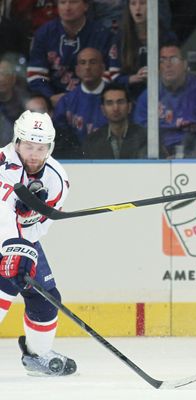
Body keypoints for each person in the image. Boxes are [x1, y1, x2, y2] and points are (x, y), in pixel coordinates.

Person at [0, 110, 76, 376]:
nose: (33, 153)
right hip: (2, 234)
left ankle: (38, 356)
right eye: (28, 146)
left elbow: (43, 223)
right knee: (5, 287)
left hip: (22, 238)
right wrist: (14, 247)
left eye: (41, 147)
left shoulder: (57, 178)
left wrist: (25, 249)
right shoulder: (3, 165)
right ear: (17, 142)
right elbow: (3, 213)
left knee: (46, 298)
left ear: (50, 147)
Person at [26, 0, 119, 108]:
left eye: (73, 2)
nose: (67, 7)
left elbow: (109, 74)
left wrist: (80, 96)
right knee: (36, 105)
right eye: (62, 2)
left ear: (86, 6)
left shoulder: (102, 35)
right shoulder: (44, 33)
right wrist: (49, 97)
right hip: (53, 100)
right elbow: (36, 74)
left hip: (92, 100)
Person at [134, 40, 196, 156]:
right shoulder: (148, 96)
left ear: (185, 64)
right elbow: (140, 135)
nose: (168, 65)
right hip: (159, 157)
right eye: (163, 60)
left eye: (173, 59)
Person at [115, 0, 176, 99]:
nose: (138, 8)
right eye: (133, 4)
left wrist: (157, 74)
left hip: (163, 95)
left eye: (143, 3)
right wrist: (134, 78)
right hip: (130, 98)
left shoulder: (167, 37)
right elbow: (113, 77)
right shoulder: (120, 39)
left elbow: (177, 71)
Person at [53, 47, 108, 153]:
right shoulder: (66, 101)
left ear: (102, 68)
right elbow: (60, 139)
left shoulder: (114, 98)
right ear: (77, 70)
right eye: (83, 63)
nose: (87, 67)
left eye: (93, 62)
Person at [82, 83, 148, 159]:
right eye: (109, 103)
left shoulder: (145, 137)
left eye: (120, 102)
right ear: (103, 109)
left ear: (129, 107)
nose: (115, 108)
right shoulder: (91, 141)